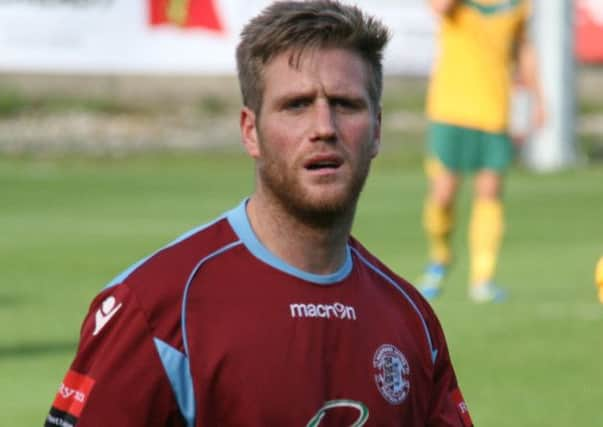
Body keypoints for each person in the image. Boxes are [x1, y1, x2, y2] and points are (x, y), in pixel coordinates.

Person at [45, 2, 473, 426]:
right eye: (296, 105)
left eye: (345, 104)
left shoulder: (411, 320)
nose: (324, 127)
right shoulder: (156, 310)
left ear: (376, 130)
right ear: (251, 132)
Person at [419, 0, 545, 302]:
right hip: (450, 109)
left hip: (494, 111)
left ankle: (483, 277)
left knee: (489, 192)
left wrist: (538, 97)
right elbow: (439, 7)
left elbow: (523, 48)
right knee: (444, 193)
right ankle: (440, 257)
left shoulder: (519, 5)